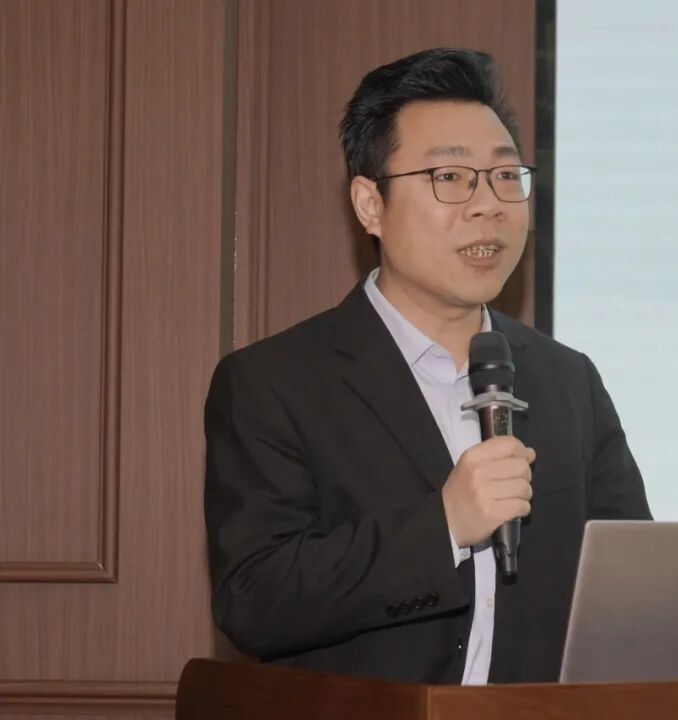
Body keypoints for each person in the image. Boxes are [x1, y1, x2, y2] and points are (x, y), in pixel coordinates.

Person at [203, 48, 651, 685]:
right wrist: (444, 526)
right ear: (371, 204)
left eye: (505, 176)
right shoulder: (273, 384)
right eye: (450, 177)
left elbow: (629, 582)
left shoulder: (568, 380)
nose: (488, 205)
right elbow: (255, 600)